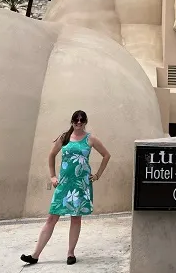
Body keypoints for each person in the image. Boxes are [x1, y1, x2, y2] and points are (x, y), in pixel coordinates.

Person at [20, 110, 111, 265]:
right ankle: (35, 255)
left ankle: (70, 253)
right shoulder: (65, 138)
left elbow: (106, 155)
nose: (79, 122)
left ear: (85, 122)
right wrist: (53, 176)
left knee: (75, 218)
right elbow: (51, 155)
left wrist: (97, 175)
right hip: (64, 184)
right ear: (72, 121)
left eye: (82, 120)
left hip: (81, 185)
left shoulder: (91, 139)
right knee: (52, 217)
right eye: (76, 120)